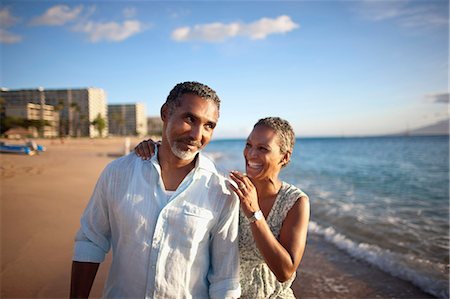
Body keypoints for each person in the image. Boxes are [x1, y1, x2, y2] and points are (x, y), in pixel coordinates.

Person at [71, 82, 241, 299]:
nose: (198, 134)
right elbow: (90, 241)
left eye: (209, 125)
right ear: (166, 113)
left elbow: (225, 279)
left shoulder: (222, 191)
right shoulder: (118, 173)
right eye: (190, 119)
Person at [135, 116, 310, 298]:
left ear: (285, 157)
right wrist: (158, 149)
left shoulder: (295, 202)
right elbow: (188, 166)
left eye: (262, 149)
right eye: (248, 145)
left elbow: (285, 271)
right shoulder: (229, 187)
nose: (251, 154)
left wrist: (254, 213)